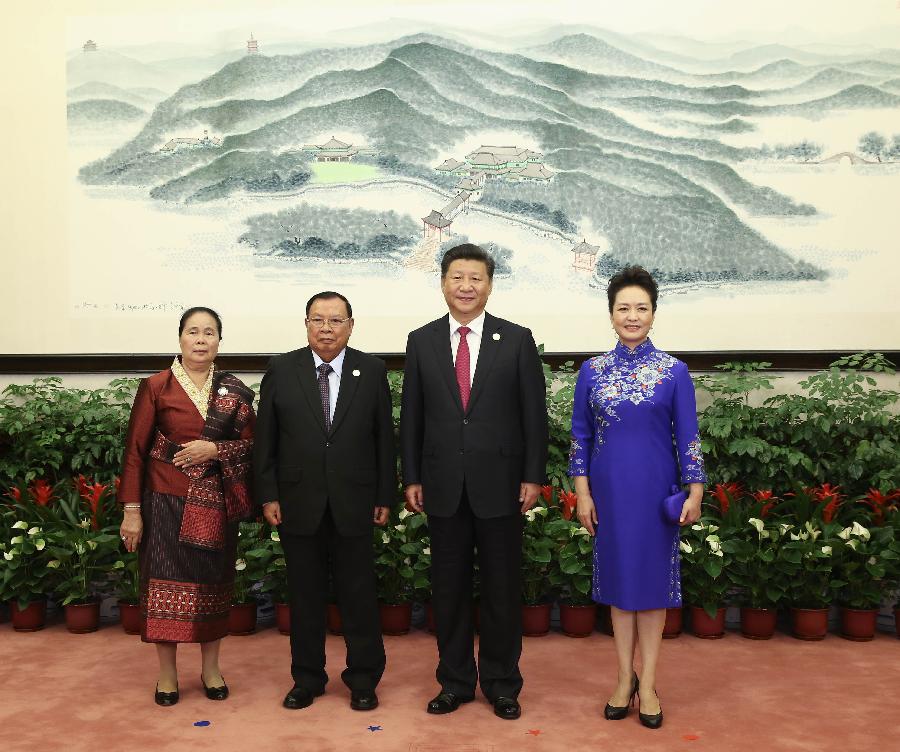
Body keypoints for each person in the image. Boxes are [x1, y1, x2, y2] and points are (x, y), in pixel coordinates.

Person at [400, 243, 548, 720]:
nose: (466, 286)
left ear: (489, 284)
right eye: (457, 277)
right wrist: (413, 477)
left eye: (476, 278)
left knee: (503, 591)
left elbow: (533, 416)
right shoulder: (421, 340)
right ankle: (455, 682)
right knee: (449, 591)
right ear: (443, 283)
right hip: (442, 484)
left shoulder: (517, 338)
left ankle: (503, 684)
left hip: (503, 485)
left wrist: (533, 476)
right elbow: (413, 419)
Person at [568, 266, 706, 730]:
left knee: (651, 591)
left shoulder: (674, 371)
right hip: (607, 494)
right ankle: (622, 680)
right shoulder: (592, 371)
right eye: (623, 308)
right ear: (610, 314)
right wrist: (582, 494)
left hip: (655, 494)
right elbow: (579, 439)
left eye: (641, 308)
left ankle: (648, 683)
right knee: (619, 590)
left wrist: (697, 490)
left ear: (653, 313)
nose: (632, 316)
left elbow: (688, 436)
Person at [253, 291, 395, 712]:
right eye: (318, 320)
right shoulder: (282, 369)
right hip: (298, 500)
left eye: (336, 320)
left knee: (359, 596)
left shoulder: (370, 370)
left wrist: (385, 492)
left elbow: (383, 438)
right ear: (306, 324)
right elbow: (267, 440)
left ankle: (364, 679)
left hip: (356, 498)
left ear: (351, 325)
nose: (327, 328)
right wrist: (268, 494)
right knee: (305, 596)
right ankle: (307, 678)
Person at [119, 307, 256, 707]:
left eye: (209, 333)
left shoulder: (233, 391)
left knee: (213, 586)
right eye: (193, 332)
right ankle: (167, 675)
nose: (201, 340)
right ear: (180, 338)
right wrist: (131, 510)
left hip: (215, 507)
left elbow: (254, 445)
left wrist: (216, 448)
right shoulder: (157, 386)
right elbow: (135, 452)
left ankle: (211, 669)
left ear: (219, 341)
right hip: (163, 501)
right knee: (163, 588)